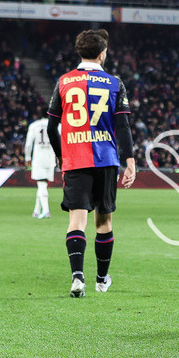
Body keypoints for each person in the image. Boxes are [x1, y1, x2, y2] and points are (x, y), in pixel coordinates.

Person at [46, 29, 136, 298]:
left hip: (75, 159)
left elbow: (52, 127)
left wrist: (60, 155)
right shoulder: (114, 83)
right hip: (106, 159)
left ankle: (77, 278)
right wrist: (129, 160)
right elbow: (123, 124)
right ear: (102, 53)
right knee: (104, 221)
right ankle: (101, 278)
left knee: (77, 220)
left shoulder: (64, 82)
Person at [25, 112, 58, 218]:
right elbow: (60, 141)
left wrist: (27, 158)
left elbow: (29, 144)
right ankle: (36, 210)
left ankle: (46, 210)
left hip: (39, 158)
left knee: (41, 184)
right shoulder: (57, 125)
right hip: (51, 158)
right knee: (43, 184)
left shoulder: (34, 125)